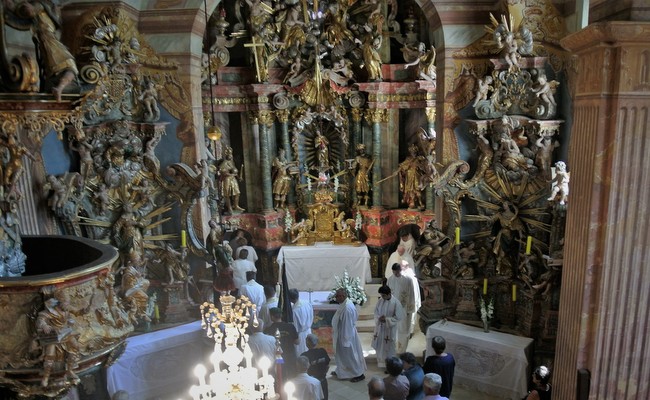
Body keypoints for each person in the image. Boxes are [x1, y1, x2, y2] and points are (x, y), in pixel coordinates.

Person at [331, 288, 366, 383]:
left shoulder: (346, 308)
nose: (336, 298)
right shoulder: (345, 303)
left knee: (351, 356)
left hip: (346, 336)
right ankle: (342, 371)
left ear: (342, 296)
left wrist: (346, 340)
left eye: (337, 296)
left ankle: (359, 374)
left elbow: (347, 325)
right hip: (344, 334)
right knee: (343, 355)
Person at [371, 285, 404, 369]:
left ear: (389, 294)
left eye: (383, 295)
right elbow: (376, 312)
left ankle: (390, 365)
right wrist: (379, 318)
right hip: (380, 327)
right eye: (381, 295)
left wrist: (386, 319)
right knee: (380, 345)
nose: (382, 297)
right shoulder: (380, 301)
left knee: (390, 346)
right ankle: (381, 362)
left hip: (390, 329)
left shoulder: (396, 303)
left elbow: (398, 317)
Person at [387, 264, 416, 353]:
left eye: (397, 271)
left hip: (404, 309)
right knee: (393, 329)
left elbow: (412, 295)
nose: (395, 273)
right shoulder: (390, 280)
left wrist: (410, 309)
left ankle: (403, 349)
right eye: (394, 272)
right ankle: (393, 348)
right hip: (393, 309)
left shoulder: (408, 280)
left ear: (400, 270)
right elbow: (388, 295)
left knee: (403, 329)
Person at [265, 307, 299, 380]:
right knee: (292, 375)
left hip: (278, 357)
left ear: (272, 317)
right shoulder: (290, 326)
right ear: (281, 316)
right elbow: (297, 342)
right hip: (290, 356)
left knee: (281, 375)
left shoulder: (269, 329)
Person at [301, 334, 330, 400]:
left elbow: (302, 371)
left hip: (311, 383)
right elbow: (327, 365)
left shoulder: (304, 356)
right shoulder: (322, 351)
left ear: (306, 343)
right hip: (322, 380)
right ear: (316, 342)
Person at [398, 144, 426, 210]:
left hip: (416, 176)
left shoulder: (419, 158)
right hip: (409, 176)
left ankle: (420, 203)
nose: (413, 153)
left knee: (417, 190)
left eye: (414, 151)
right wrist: (399, 170)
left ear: (416, 152)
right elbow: (402, 166)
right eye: (412, 152)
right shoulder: (408, 159)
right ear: (410, 152)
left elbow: (424, 167)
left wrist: (419, 166)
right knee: (410, 190)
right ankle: (412, 203)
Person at [218, 146, 244, 213]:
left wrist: (238, 177)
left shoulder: (232, 162)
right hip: (227, 179)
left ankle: (236, 205)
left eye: (231, 155)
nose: (231, 156)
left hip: (233, 179)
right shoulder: (224, 162)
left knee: (237, 193)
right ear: (227, 156)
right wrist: (229, 174)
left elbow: (235, 172)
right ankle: (229, 208)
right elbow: (221, 171)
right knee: (227, 194)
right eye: (229, 155)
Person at [289, 288, 314, 356]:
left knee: (301, 354)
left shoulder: (295, 311)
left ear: (290, 299)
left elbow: (295, 327)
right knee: (308, 353)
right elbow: (312, 315)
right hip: (308, 331)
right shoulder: (307, 303)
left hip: (300, 336)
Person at [354, 144, 373, 208]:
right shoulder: (358, 157)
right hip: (360, 173)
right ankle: (359, 201)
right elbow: (354, 165)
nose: (361, 151)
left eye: (362, 150)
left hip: (366, 173)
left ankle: (366, 202)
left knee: (366, 187)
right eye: (360, 150)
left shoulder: (368, 157)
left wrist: (369, 169)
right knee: (358, 187)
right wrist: (352, 166)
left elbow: (370, 165)